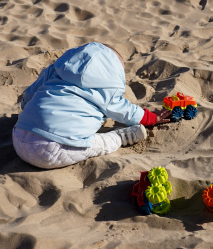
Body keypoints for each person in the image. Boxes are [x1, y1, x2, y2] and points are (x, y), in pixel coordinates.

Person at [12, 42, 171, 169]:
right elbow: (125, 111)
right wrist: (150, 118)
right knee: (101, 143)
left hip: (19, 137)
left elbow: (29, 95)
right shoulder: (107, 87)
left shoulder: (57, 70)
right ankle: (121, 137)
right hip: (52, 151)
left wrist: (29, 110)